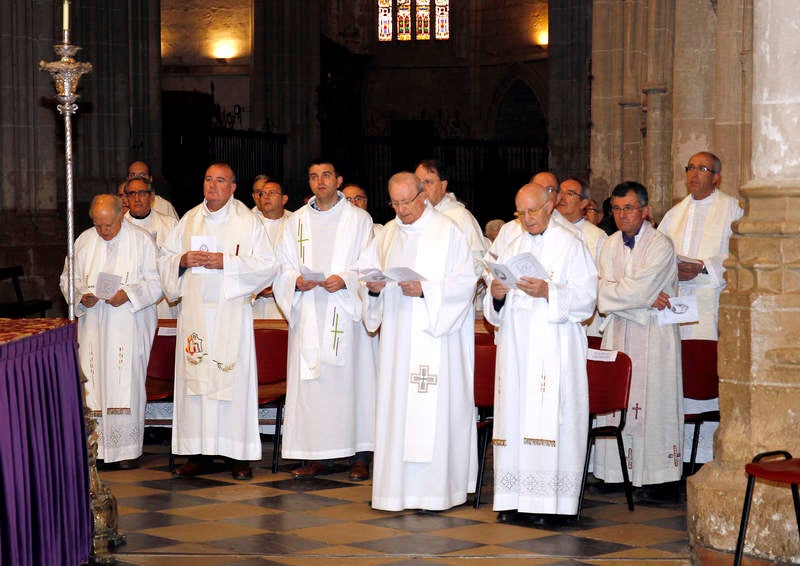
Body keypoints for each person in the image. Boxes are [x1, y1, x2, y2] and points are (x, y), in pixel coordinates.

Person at [362, 172, 478, 511]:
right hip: (399, 340)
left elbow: (465, 282)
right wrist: (373, 287)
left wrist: (427, 289)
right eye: (394, 203)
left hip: (436, 340)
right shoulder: (387, 234)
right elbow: (366, 273)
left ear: (423, 195)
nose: (401, 210)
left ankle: (436, 491)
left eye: (407, 202)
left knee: (433, 411)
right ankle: (395, 491)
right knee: (399, 409)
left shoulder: (447, 231)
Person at [484, 182, 597, 520]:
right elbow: (493, 309)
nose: (527, 218)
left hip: (554, 344)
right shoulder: (512, 245)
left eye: (533, 211)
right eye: (521, 212)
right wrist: (498, 292)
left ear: (551, 205)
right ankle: (514, 499)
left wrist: (550, 291)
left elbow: (587, 299)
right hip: (517, 346)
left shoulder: (571, 245)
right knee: (516, 416)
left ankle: (552, 504)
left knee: (552, 418)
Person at [159, 162, 277, 480]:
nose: (212, 185)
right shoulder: (189, 220)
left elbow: (268, 264)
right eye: (208, 179)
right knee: (196, 385)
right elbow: (165, 259)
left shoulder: (248, 222)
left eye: (220, 180)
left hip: (230, 314)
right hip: (196, 313)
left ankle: (237, 456)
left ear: (233, 187)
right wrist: (182, 260)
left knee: (231, 383)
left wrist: (226, 262)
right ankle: (199, 454)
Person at [272, 158, 375, 481]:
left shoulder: (359, 219)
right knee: (313, 388)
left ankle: (359, 455)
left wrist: (345, 278)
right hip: (309, 313)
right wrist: (294, 281)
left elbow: (369, 264)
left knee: (353, 384)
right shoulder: (296, 221)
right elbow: (283, 265)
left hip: (345, 313)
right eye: (314, 176)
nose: (320, 181)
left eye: (326, 175)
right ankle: (317, 456)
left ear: (339, 180)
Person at [60, 194, 161, 469]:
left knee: (124, 381)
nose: (103, 231)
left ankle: (126, 450)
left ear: (121, 215)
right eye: (98, 225)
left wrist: (127, 294)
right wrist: (82, 295)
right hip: (93, 323)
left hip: (127, 323)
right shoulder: (83, 241)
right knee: (93, 383)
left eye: (108, 225)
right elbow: (68, 278)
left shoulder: (141, 240)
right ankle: (97, 448)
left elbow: (157, 282)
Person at [595, 181, 683, 499]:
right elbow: (601, 293)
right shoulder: (608, 244)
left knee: (655, 401)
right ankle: (615, 473)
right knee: (619, 401)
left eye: (629, 208)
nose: (622, 215)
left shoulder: (661, 245)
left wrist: (631, 298)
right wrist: (640, 302)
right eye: (616, 209)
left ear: (645, 211)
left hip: (655, 336)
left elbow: (632, 291)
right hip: (620, 334)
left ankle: (658, 477)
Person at [657, 151, 743, 466]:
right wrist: (672, 269)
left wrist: (704, 267)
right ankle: (678, 456)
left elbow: (738, 254)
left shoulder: (731, 208)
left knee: (705, 379)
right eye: (690, 168)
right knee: (679, 378)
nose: (694, 174)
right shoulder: (674, 214)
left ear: (716, 176)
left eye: (702, 169)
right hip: (677, 307)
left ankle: (706, 456)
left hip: (708, 307)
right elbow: (658, 253)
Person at [414, 159, 487, 277]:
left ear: (443, 186)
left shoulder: (459, 217)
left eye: (428, 182)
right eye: (418, 182)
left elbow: (476, 264)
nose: (422, 188)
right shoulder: (411, 218)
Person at [123, 177, 179, 318]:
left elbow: (179, 264)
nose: (137, 198)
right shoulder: (118, 228)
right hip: (130, 303)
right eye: (132, 193)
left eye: (142, 193)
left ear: (151, 196)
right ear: (126, 198)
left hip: (163, 302)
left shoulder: (169, 225)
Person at [558, 178, 608, 337]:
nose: (562, 197)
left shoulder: (596, 236)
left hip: (585, 320)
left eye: (570, 193)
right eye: (561, 192)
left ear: (583, 203)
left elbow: (603, 279)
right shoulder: (549, 231)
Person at [251, 175, 291, 320]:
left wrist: (279, 285)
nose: (266, 197)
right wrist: (257, 287)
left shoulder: (295, 225)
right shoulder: (249, 225)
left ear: (284, 199)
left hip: (285, 304)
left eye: (272, 193)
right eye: (262, 193)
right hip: (254, 304)